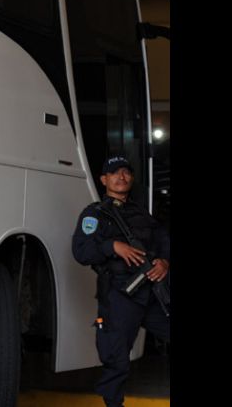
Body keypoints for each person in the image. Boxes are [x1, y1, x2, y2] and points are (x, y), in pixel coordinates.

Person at [72, 156, 170, 407]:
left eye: (126, 172)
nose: (121, 177)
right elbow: (81, 252)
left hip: (151, 292)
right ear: (104, 180)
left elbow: (163, 242)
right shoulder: (94, 214)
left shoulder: (142, 214)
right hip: (119, 296)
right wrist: (112, 246)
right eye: (114, 173)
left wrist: (164, 262)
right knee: (116, 358)